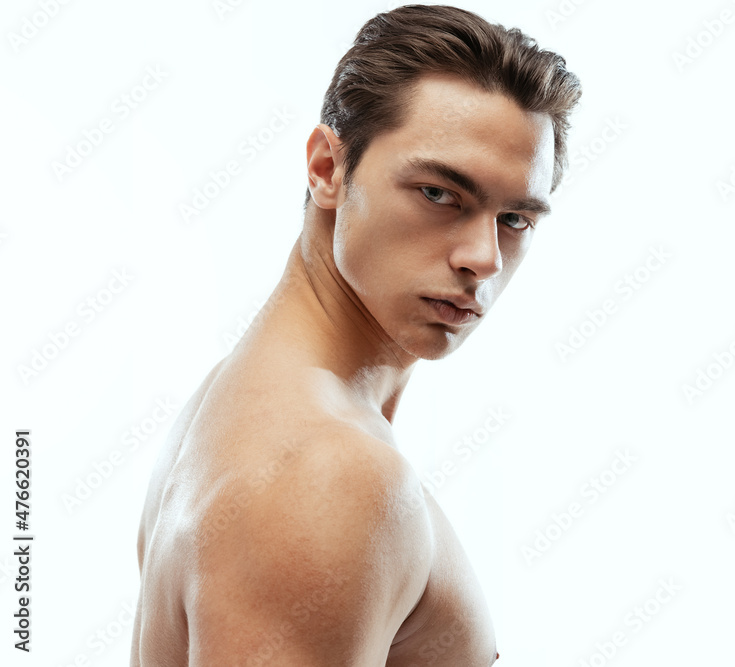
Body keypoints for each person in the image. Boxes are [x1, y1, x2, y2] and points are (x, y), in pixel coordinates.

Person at [129, 5, 581, 665]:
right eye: (439, 193)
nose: (483, 257)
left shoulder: (257, 398)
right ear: (326, 168)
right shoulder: (323, 472)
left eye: (514, 217)